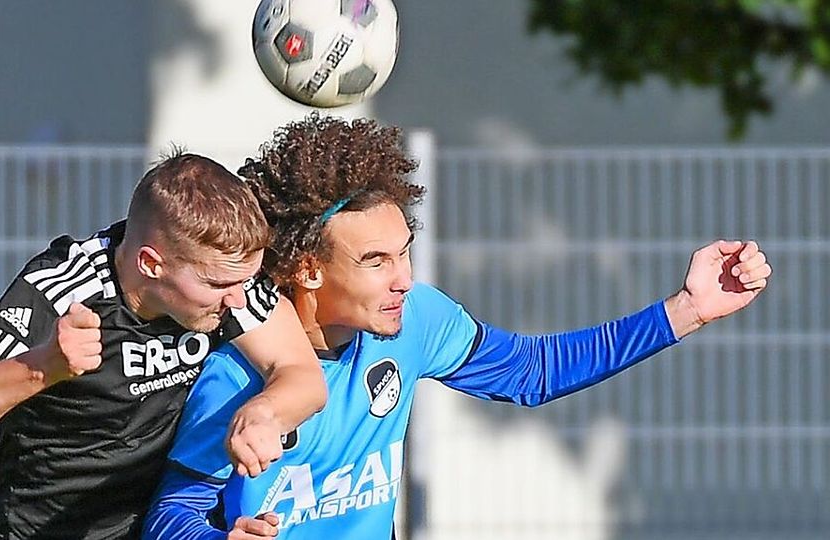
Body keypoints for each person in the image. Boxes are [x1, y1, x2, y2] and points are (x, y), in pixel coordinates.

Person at [141, 114, 773, 540]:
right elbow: (173, 511)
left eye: (404, 250)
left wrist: (686, 309)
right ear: (306, 270)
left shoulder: (415, 320)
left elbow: (533, 371)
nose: (404, 278)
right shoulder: (236, 370)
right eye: (375, 261)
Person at [0, 151, 328, 539]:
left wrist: (265, 413)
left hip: (156, 524)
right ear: (151, 264)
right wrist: (43, 366)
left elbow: (301, 374)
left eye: (245, 281)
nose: (240, 299)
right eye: (219, 284)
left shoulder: (228, 285)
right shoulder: (65, 289)